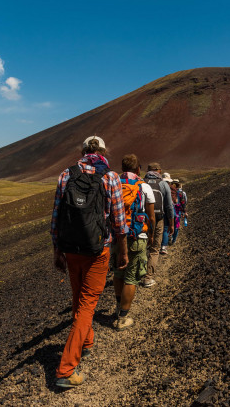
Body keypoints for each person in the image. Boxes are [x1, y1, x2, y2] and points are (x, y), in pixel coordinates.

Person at [51, 136, 129, 388]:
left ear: (83, 151)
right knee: (87, 306)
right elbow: (118, 220)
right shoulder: (110, 177)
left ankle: (86, 342)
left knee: (78, 298)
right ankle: (65, 369)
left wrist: (57, 250)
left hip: (71, 249)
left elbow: (56, 216)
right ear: (104, 151)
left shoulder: (66, 175)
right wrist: (123, 251)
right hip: (98, 250)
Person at [111, 154, 155, 330]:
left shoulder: (114, 186)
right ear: (138, 169)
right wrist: (150, 234)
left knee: (118, 273)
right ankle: (123, 318)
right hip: (137, 236)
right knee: (132, 276)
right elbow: (151, 216)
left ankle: (118, 307)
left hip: (117, 236)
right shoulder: (144, 187)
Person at [142, 163, 174, 287]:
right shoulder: (163, 184)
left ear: (148, 170)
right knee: (155, 248)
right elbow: (169, 206)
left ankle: (138, 271)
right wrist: (171, 223)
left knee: (143, 245)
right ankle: (148, 277)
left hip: (143, 219)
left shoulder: (141, 182)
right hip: (159, 219)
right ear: (159, 171)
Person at [160, 173, 174, 255]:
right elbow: (169, 205)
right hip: (165, 211)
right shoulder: (167, 188)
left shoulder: (158, 185)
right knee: (165, 228)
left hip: (155, 210)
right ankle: (164, 246)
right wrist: (172, 222)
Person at [170, 180, 187, 245]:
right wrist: (184, 212)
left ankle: (169, 237)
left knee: (170, 224)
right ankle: (173, 240)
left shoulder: (170, 191)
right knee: (176, 226)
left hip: (170, 210)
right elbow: (183, 203)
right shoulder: (181, 193)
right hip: (178, 211)